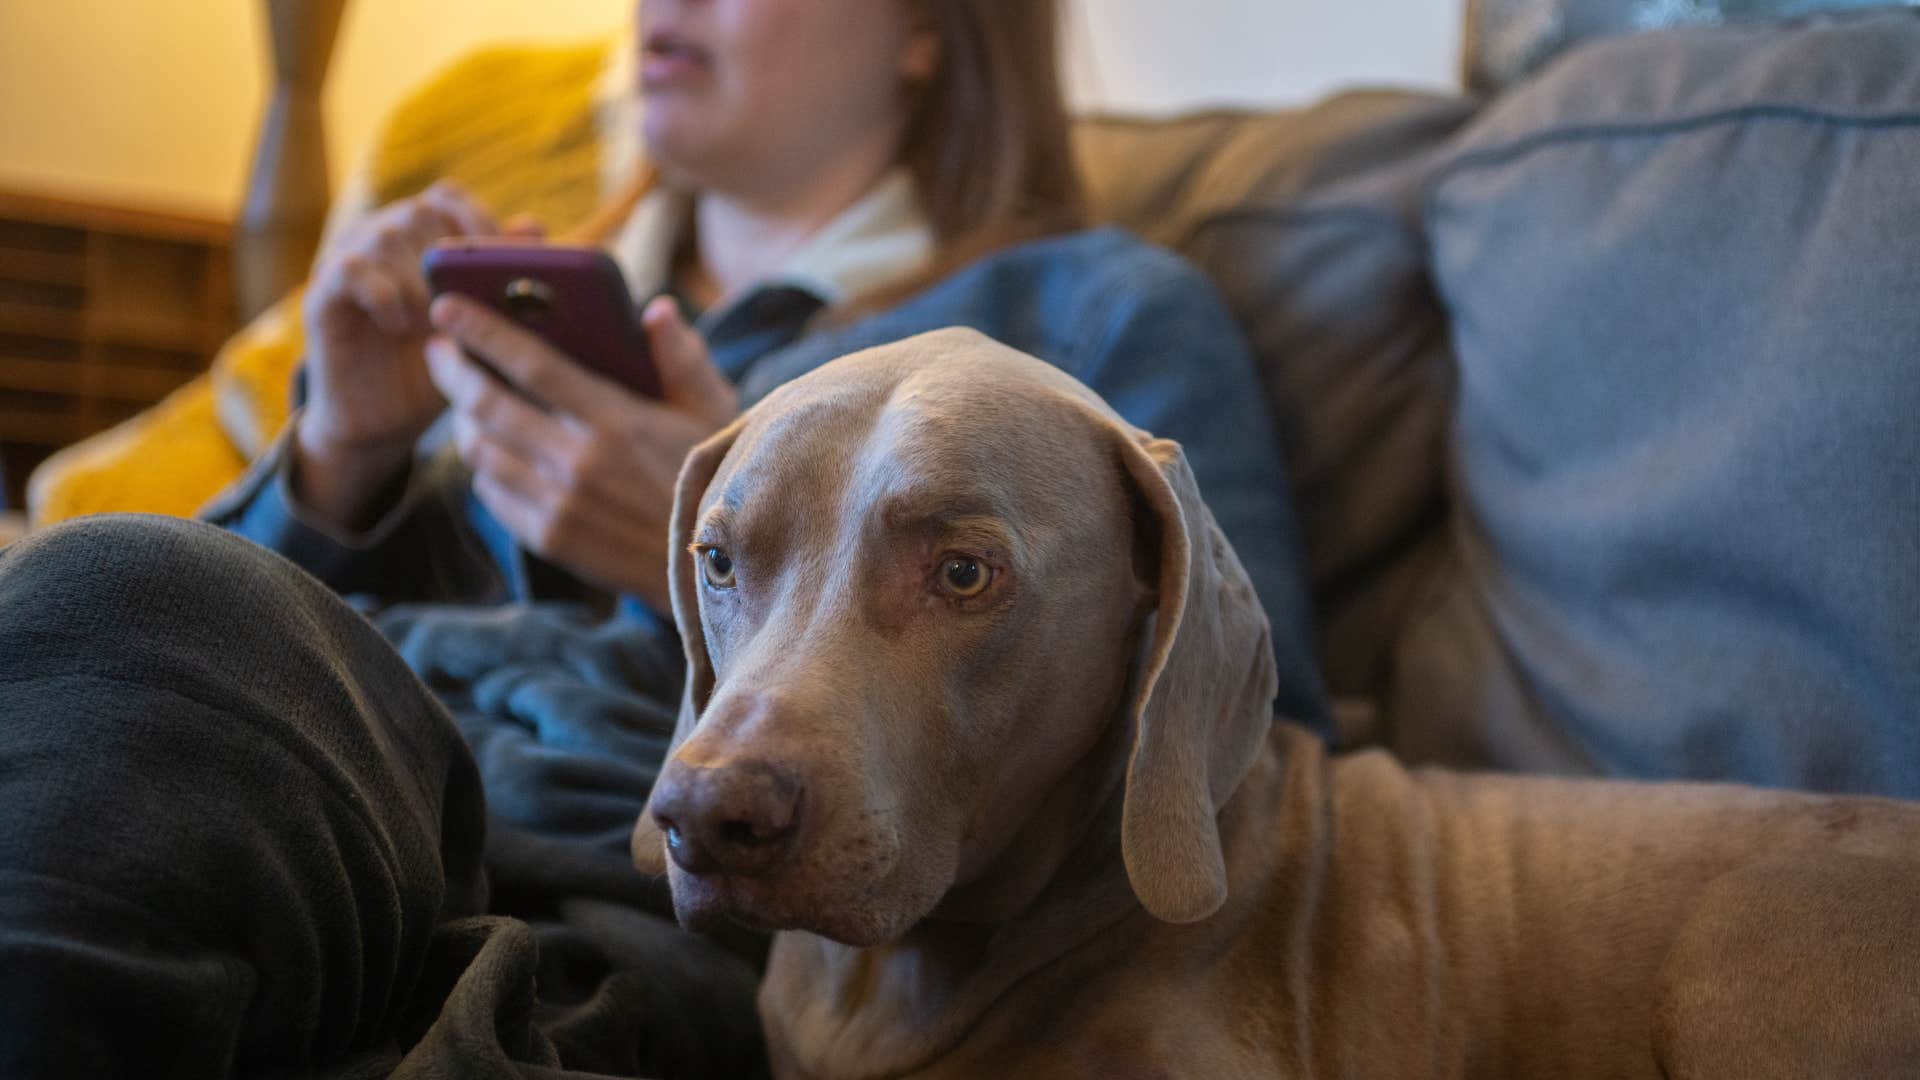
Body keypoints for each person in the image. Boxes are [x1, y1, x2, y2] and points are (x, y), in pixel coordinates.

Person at [0, 1, 1325, 1076]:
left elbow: (1236, 740)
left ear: (929, 26)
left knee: (118, 581)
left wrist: (702, 564)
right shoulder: (534, 322)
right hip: (299, 801)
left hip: (653, 886)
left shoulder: (1091, 318)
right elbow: (198, 687)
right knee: (104, 592)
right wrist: (345, 453)